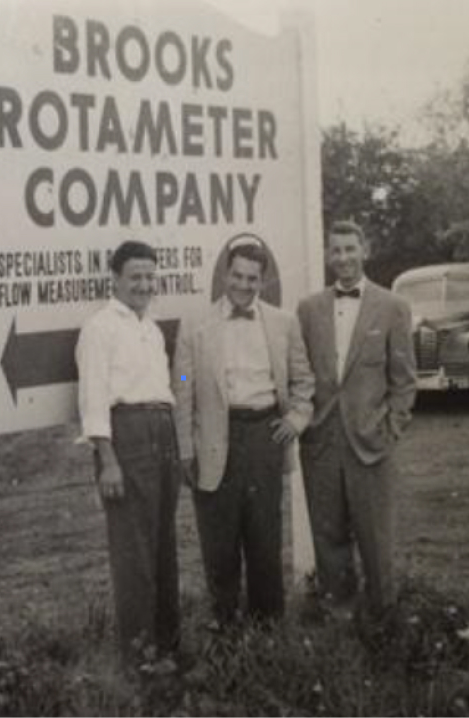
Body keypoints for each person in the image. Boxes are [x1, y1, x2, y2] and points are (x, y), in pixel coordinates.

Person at [172, 241, 314, 629]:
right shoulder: (195, 326)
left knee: (265, 543)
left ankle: (269, 636)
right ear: (224, 275)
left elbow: (303, 382)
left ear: (263, 280)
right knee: (219, 547)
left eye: (253, 278)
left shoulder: (283, 323)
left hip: (265, 438)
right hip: (215, 442)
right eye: (237, 275)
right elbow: (182, 386)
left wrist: (296, 420)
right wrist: (186, 449)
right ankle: (226, 636)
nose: (244, 284)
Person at [295, 220, 417, 621]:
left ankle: (384, 621)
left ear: (365, 250)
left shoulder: (393, 306)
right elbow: (300, 374)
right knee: (328, 536)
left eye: (350, 249)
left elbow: (404, 381)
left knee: (376, 539)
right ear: (328, 256)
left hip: (371, 442)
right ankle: (339, 618)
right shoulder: (309, 309)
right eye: (336, 251)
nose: (343, 258)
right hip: (322, 442)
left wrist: (391, 427)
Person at [75, 240, 181, 672]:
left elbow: (170, 382)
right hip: (126, 437)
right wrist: (108, 458)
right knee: (133, 551)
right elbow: (94, 397)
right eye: (135, 276)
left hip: (163, 432)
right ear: (115, 279)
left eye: (149, 277)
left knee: (164, 545)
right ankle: (139, 654)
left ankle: (168, 645)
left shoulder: (151, 329)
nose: (143, 285)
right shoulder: (100, 328)